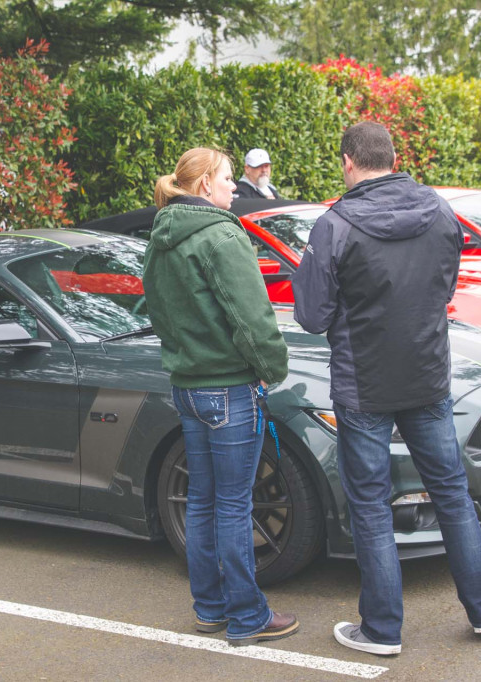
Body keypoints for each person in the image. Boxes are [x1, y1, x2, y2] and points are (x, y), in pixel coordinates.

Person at [292, 121, 481, 657]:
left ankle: (382, 630)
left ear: (348, 161)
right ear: (393, 157)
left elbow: (312, 316)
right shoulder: (439, 211)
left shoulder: (335, 224)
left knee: (370, 504)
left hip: (364, 384)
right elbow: (445, 285)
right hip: (427, 375)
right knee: (453, 493)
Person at [142, 147, 298, 645]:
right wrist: (272, 371)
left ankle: (210, 609)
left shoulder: (162, 236)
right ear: (206, 183)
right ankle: (249, 617)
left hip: (187, 387)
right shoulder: (222, 235)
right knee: (233, 505)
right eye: (229, 178)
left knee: (205, 502)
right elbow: (253, 319)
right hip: (228, 390)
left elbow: (155, 310)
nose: (236, 188)